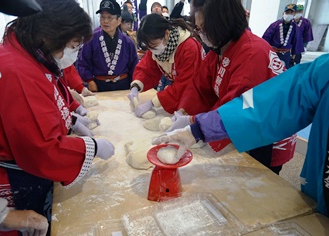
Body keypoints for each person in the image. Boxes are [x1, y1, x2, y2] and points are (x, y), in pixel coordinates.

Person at [0, 0, 115, 235]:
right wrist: (90, 148)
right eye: (72, 45)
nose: (74, 52)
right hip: (6, 178)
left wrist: (69, 117)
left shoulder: (24, 52)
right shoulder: (18, 71)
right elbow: (41, 148)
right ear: (50, 36)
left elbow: (42, 102)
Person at [152, 53, 329, 216]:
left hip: (269, 141)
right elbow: (268, 104)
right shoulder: (325, 70)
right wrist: (197, 128)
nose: (202, 32)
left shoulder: (252, 53)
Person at [165, 0, 296, 174]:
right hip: (244, 119)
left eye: (204, 28)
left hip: (268, 132)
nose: (200, 34)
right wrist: (183, 111)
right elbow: (200, 88)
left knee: (256, 181)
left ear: (222, 23)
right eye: (198, 28)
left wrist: (194, 125)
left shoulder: (251, 53)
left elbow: (236, 104)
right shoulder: (221, 47)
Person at [127, 13, 204, 117]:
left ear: (167, 34)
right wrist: (136, 86)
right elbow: (147, 69)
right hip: (179, 95)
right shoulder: (157, 47)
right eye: (149, 47)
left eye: (153, 45)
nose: (151, 50)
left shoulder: (188, 48)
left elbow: (185, 85)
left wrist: (153, 102)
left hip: (196, 98)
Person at [77, 0, 138, 92]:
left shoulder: (127, 42)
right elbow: (83, 63)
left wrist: (134, 85)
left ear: (119, 20)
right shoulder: (91, 40)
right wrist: (89, 81)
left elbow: (134, 65)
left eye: (110, 18)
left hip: (123, 85)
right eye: (102, 17)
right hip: (99, 85)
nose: (105, 21)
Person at [262, 4, 302, 69]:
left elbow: (296, 41)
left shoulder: (295, 27)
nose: (289, 14)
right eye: (287, 12)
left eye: (291, 13)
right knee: (271, 69)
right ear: (283, 13)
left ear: (294, 14)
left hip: (286, 53)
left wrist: (294, 54)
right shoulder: (274, 25)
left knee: (284, 70)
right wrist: (265, 50)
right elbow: (266, 38)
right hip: (274, 52)